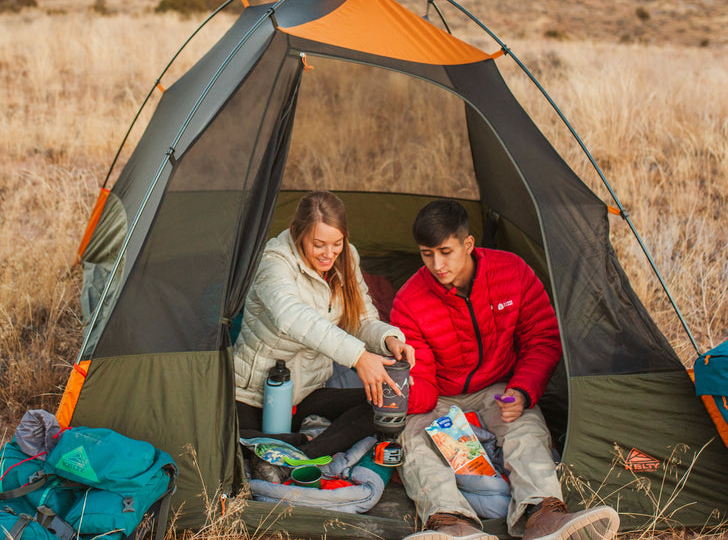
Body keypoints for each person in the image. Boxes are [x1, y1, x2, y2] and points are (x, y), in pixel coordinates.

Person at [391, 200, 619, 540]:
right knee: (413, 438)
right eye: (426, 254)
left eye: (445, 252)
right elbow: (421, 376)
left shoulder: (511, 272)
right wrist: (401, 400)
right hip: (440, 393)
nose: (436, 265)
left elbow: (542, 337)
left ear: (468, 245)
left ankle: (543, 517)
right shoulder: (409, 299)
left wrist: (523, 390)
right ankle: (451, 525)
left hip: (498, 385)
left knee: (525, 429)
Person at [234, 190, 415, 459]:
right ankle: (293, 445)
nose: (329, 254)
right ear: (298, 232)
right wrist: (358, 357)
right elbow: (290, 316)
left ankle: (304, 450)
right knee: (229, 440)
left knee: (382, 403)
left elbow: (361, 319)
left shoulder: (347, 258)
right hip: (255, 396)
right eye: (319, 244)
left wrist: (388, 339)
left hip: (307, 392)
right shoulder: (274, 261)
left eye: (337, 243)